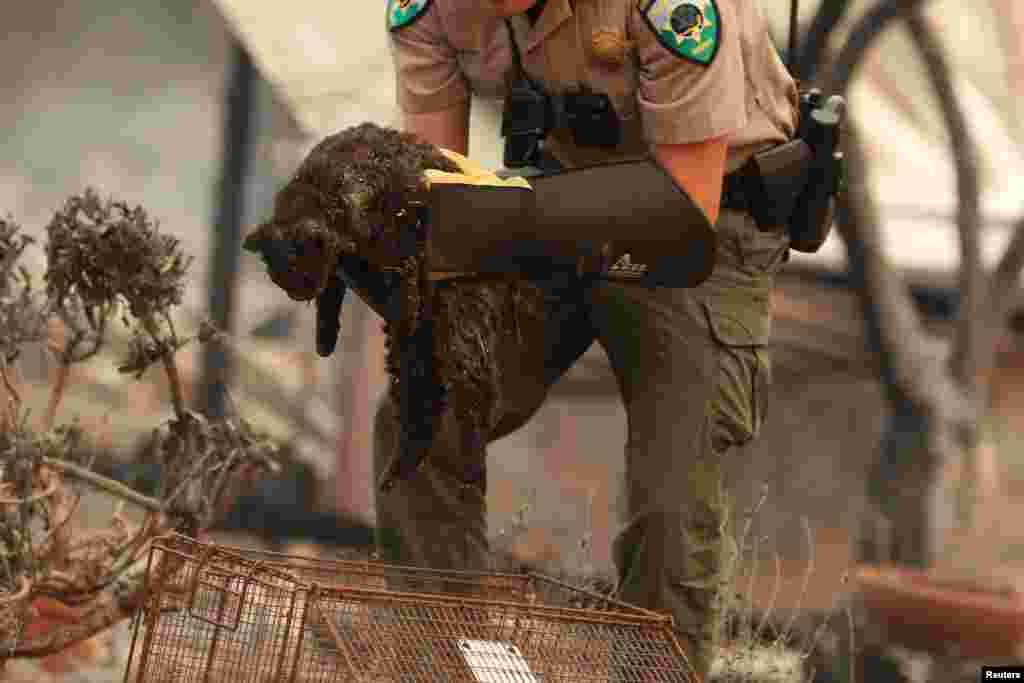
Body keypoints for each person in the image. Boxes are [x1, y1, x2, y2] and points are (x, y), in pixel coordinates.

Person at [377, 0, 799, 678]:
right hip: (554, 204)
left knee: (671, 501)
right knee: (421, 401)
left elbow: (684, 209)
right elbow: (440, 187)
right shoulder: (430, 9)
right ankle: (444, 664)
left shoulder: (672, 7)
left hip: (704, 233)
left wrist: (512, 215)